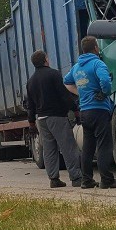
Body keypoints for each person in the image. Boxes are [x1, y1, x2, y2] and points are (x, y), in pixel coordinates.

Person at [64, 36, 116, 189]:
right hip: (99, 109)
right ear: (96, 48)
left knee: (88, 147)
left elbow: (66, 81)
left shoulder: (76, 67)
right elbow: (105, 81)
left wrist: (80, 93)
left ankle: (87, 180)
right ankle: (107, 180)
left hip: (85, 111)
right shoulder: (98, 63)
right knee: (104, 145)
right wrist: (104, 93)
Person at [26, 50, 82, 188]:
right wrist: (75, 109)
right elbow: (64, 95)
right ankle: (76, 177)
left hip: (41, 119)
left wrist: (31, 122)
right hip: (57, 117)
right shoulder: (54, 74)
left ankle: (54, 179)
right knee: (68, 147)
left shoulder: (30, 81)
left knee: (49, 149)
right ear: (45, 59)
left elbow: (30, 105)